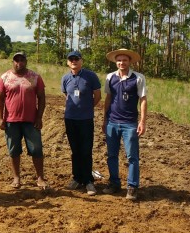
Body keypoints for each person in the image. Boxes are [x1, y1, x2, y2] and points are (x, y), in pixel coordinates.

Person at [0, 51, 48, 190]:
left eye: (22, 60)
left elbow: (42, 98)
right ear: (13, 62)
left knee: (36, 148)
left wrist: (39, 117)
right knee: (13, 149)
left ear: (26, 61)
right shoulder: (5, 77)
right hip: (11, 120)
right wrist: (1, 118)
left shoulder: (35, 77)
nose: (19, 63)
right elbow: (0, 100)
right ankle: (16, 177)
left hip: (31, 120)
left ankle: (40, 178)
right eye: (16, 60)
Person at [101, 48, 147, 201]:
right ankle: (114, 183)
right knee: (112, 155)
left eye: (124, 60)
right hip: (112, 122)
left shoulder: (138, 78)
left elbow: (143, 100)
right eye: (119, 60)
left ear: (129, 62)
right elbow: (108, 98)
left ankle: (132, 186)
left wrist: (142, 121)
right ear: (116, 62)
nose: (121, 62)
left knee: (132, 156)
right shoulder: (110, 77)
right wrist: (104, 119)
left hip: (130, 124)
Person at [61, 50, 101, 196]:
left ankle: (88, 181)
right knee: (75, 151)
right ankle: (77, 178)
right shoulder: (65, 78)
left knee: (86, 150)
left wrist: (87, 108)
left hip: (86, 119)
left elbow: (97, 96)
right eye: (71, 59)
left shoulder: (90, 76)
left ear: (81, 61)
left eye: (76, 59)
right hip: (70, 119)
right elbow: (66, 95)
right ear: (67, 62)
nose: (74, 61)